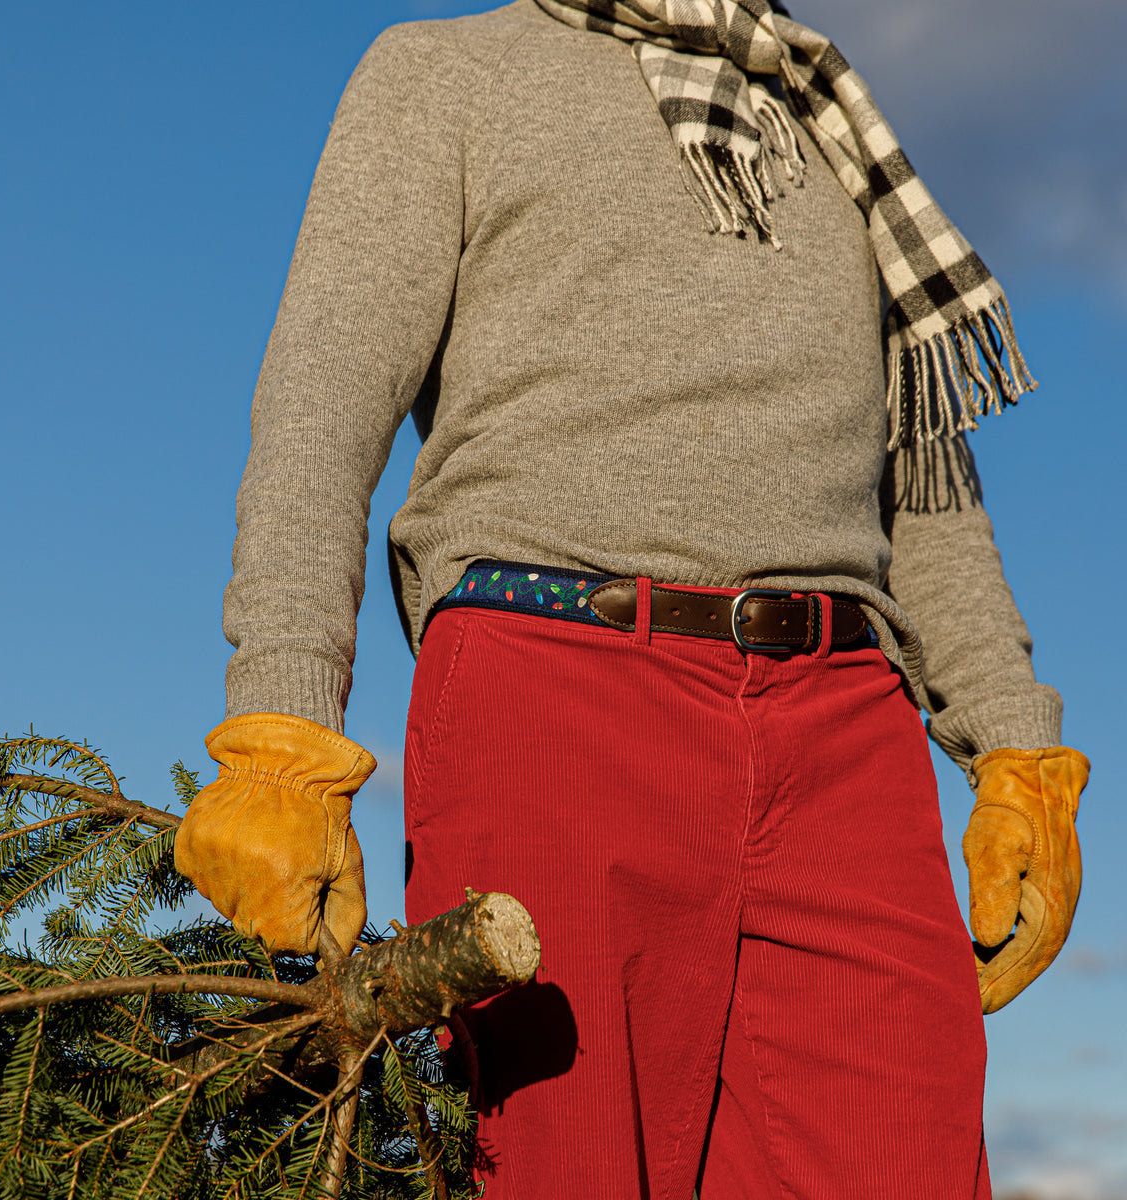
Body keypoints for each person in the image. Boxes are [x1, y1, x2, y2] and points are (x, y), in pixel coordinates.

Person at [173, 1, 1090, 1196]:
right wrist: (282, 732)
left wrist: (1016, 751)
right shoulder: (446, 73)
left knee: (905, 1156)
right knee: (564, 1165)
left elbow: (924, 492)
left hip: (845, 725)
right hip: (554, 685)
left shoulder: (827, 123)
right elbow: (319, 405)